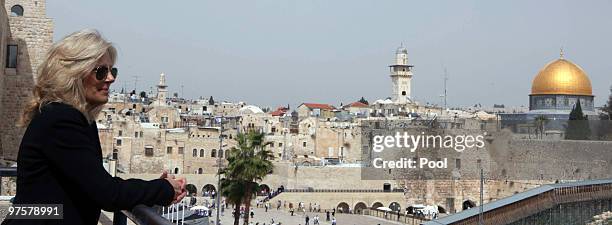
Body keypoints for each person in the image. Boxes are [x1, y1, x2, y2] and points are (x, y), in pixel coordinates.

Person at [1, 29, 187, 225]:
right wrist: (163, 189)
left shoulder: (63, 116)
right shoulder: (62, 121)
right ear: (73, 75)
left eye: (112, 70)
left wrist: (153, 189)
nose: (110, 78)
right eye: (101, 71)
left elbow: (88, 184)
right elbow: (107, 192)